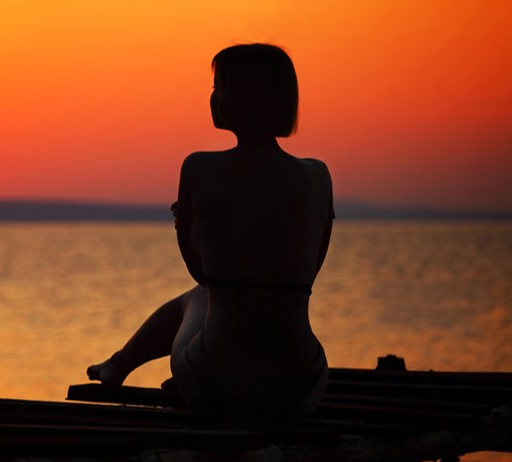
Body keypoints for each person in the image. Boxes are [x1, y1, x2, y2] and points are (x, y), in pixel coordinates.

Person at [87, 43, 334, 419]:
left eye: (218, 86)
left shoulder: (200, 168)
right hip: (301, 384)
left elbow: (200, 272)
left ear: (239, 97)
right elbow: (309, 270)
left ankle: (119, 366)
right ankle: (133, 366)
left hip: (214, 380)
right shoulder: (318, 175)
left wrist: (187, 226)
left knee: (198, 298)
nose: (212, 96)